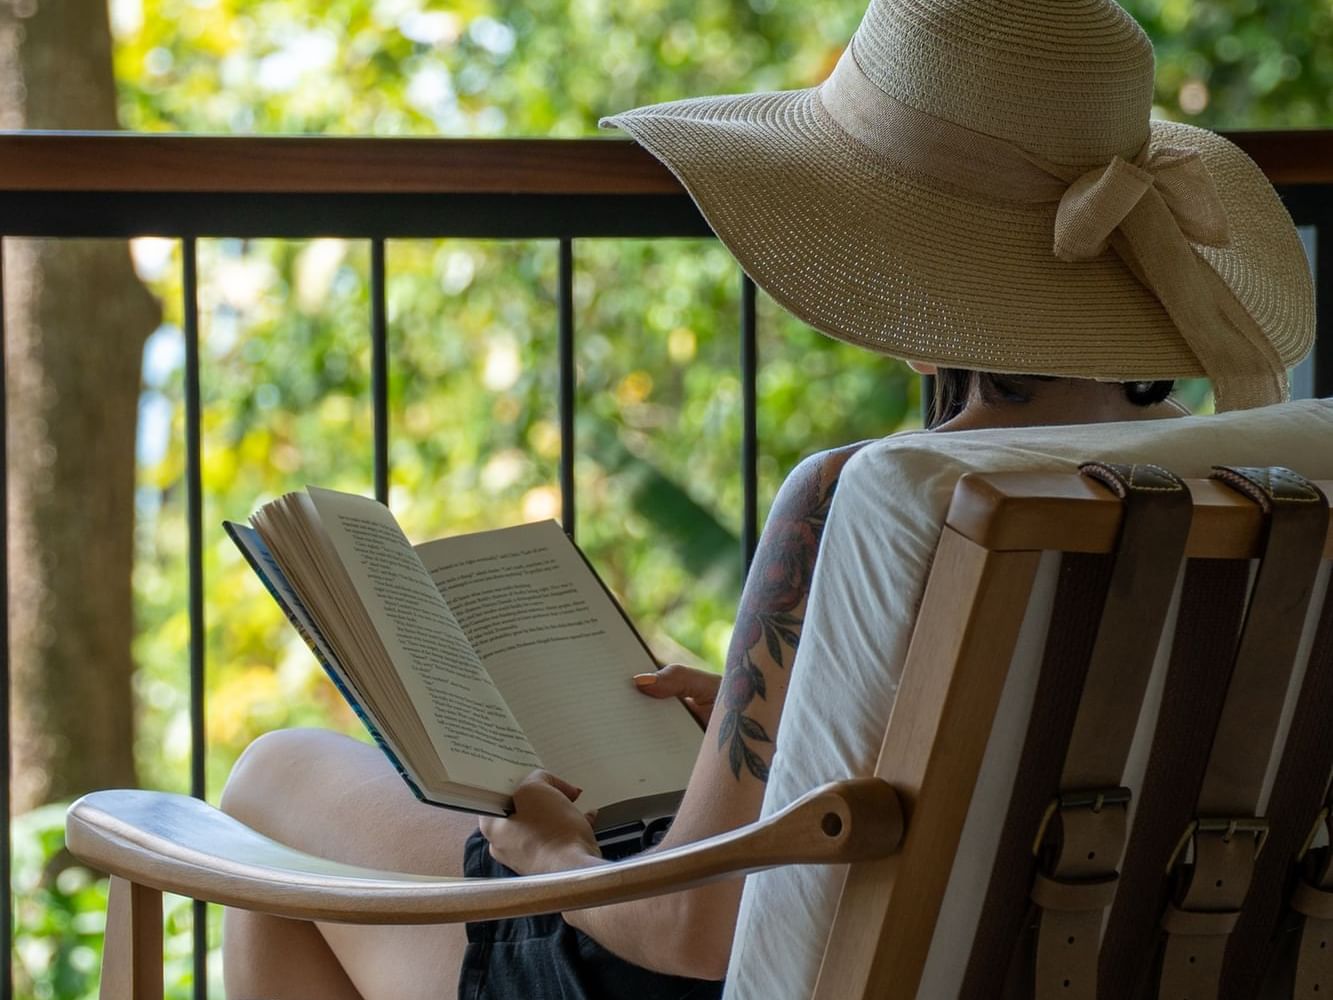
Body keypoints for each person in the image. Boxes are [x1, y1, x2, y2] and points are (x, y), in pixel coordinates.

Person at [218, 0, 1314, 996]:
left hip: (691, 973)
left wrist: (551, 857)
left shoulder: (873, 495)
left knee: (276, 781)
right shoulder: (1264, 487)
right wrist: (782, 732)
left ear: (895, 249)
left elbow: (698, 932)